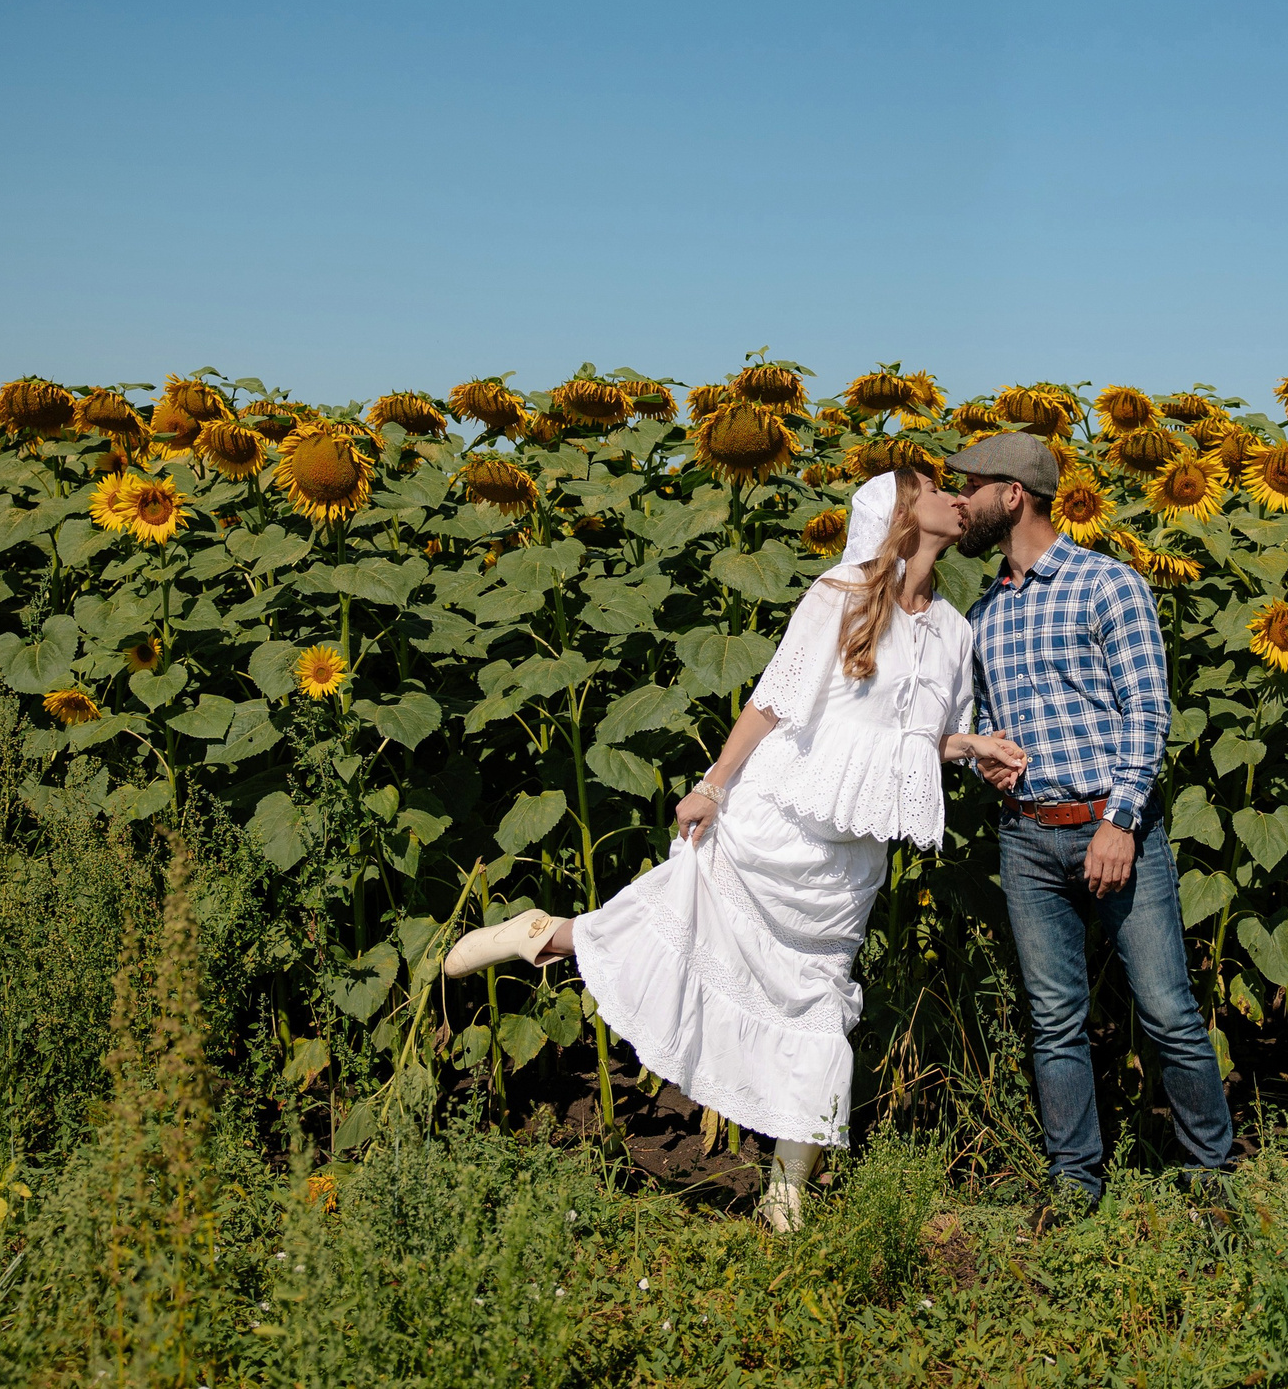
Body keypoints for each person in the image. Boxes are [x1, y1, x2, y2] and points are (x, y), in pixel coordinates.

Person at [443, 468, 1026, 1231]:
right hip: (778, 817)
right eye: (935, 489)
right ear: (898, 515)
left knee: (820, 1003)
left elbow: (920, 738)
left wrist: (972, 744)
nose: (958, 497)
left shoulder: (955, 630)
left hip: (847, 862)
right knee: (679, 921)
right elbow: (774, 699)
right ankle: (543, 935)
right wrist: (712, 787)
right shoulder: (841, 594)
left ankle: (786, 1193)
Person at [945, 431, 1234, 1209]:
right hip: (1027, 838)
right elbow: (979, 723)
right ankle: (1074, 1186)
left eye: (969, 485)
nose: (957, 499)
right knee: (1054, 1020)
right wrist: (984, 758)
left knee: (1168, 1008)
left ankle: (1213, 1179)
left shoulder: (1107, 585)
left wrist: (1120, 822)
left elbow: (1148, 710)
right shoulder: (984, 613)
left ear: (1013, 494)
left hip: (1115, 832)